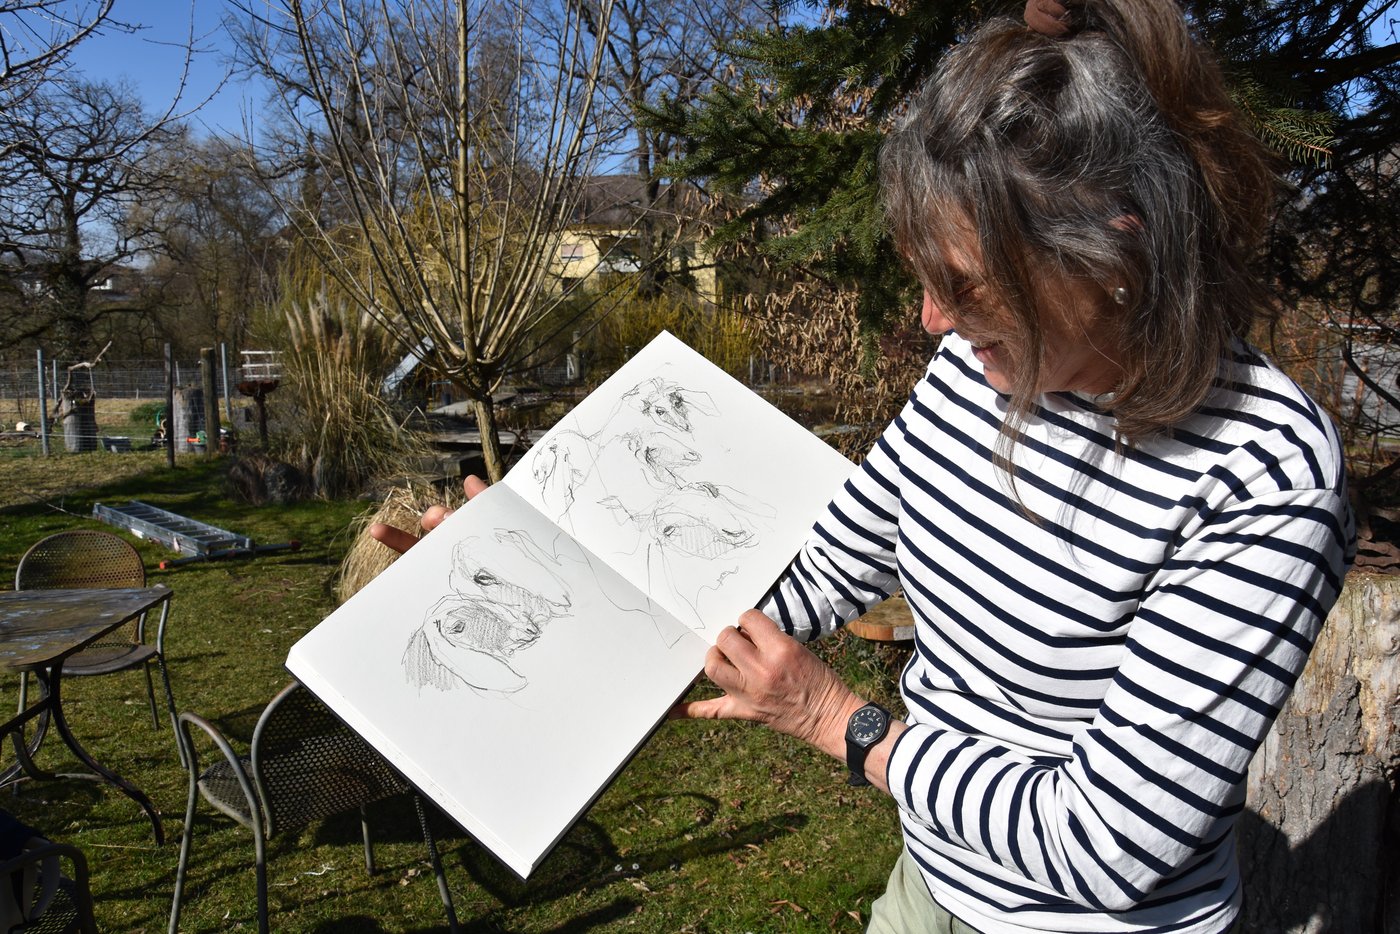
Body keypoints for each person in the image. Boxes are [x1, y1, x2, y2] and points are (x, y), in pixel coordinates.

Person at [373, 0, 1355, 930]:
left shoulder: (1262, 479)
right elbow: (816, 572)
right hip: (931, 879)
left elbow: (1107, 841)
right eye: (924, 279)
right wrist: (535, 568)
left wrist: (839, 720)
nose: (930, 320)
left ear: (1110, 250)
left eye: (963, 286)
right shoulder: (976, 371)